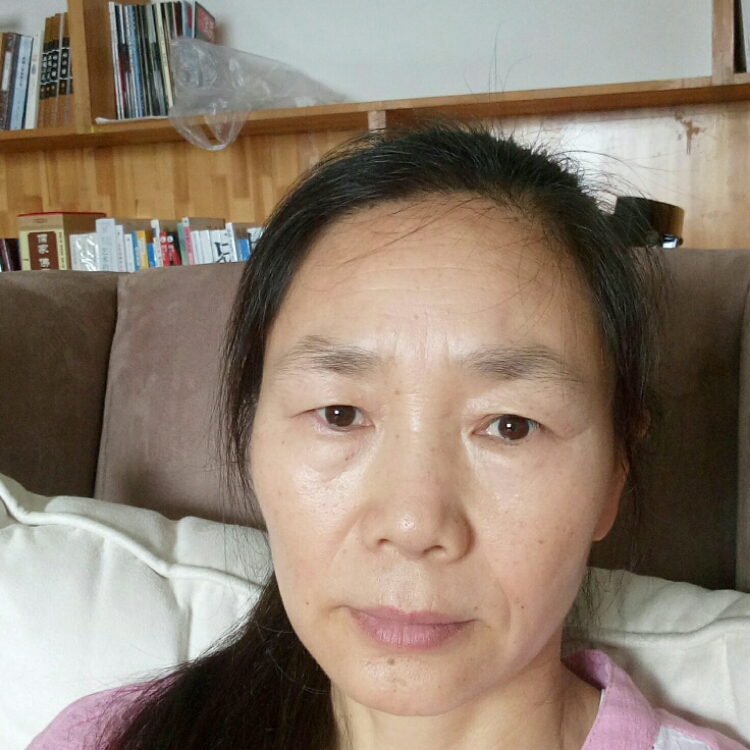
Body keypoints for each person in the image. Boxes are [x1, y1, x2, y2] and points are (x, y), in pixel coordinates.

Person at [28, 125, 747, 750]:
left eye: (510, 425)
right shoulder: (110, 737)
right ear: (252, 437)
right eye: (340, 414)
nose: (412, 524)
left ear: (616, 472)